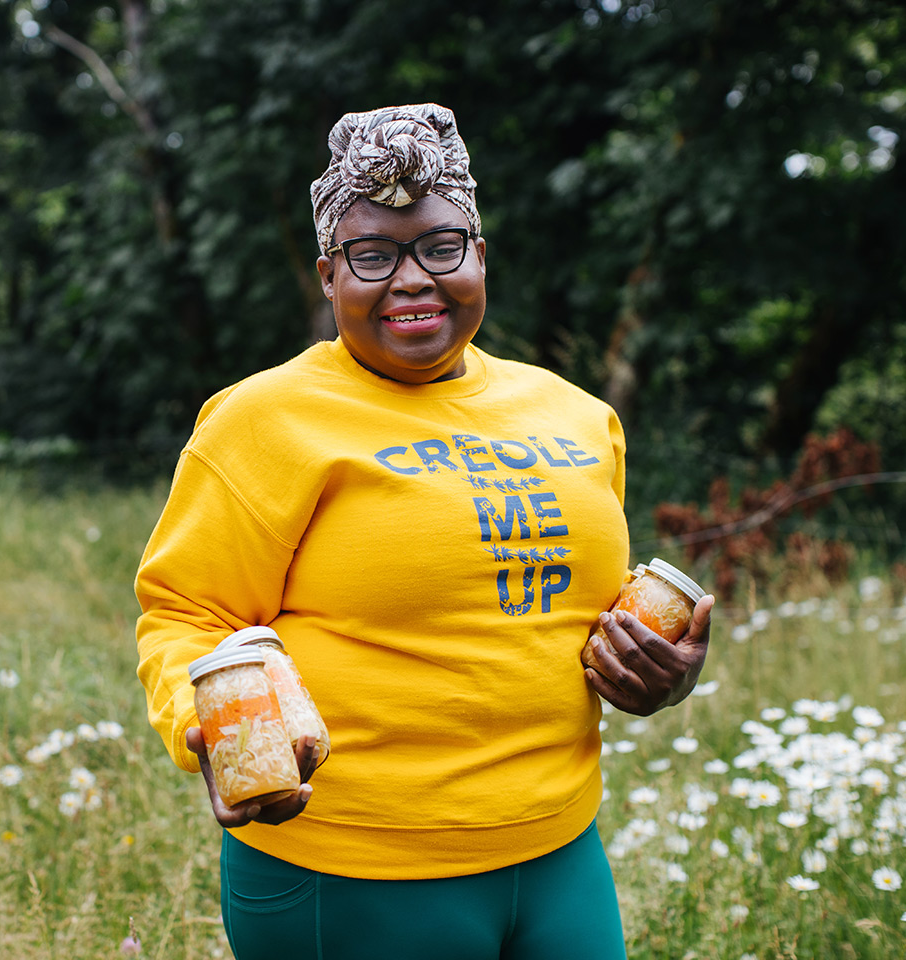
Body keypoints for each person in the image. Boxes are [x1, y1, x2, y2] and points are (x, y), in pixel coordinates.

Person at [135, 103, 713, 960]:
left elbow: (576, 619)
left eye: (440, 247)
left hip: (559, 847)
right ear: (330, 276)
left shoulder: (577, 415)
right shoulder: (263, 420)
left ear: (479, 256)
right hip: (352, 863)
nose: (411, 279)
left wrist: (661, 672)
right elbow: (185, 613)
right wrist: (213, 728)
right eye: (372, 256)